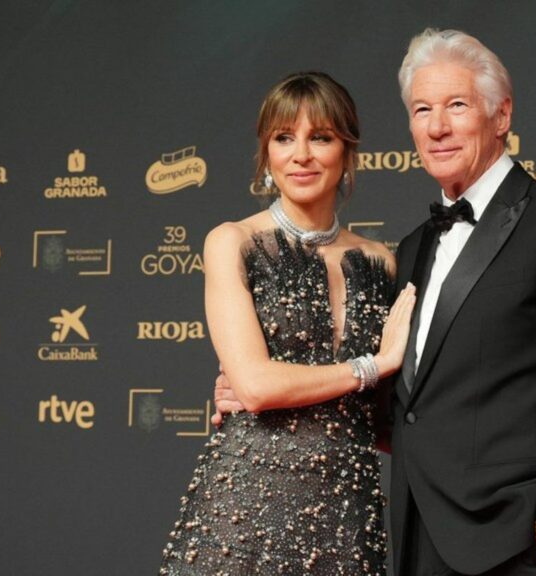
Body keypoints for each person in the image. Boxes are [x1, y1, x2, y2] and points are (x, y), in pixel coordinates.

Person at [217, 29, 536, 576]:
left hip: (514, 542)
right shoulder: (412, 248)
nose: (436, 127)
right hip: (417, 538)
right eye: (421, 110)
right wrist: (259, 391)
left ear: (501, 115)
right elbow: (405, 407)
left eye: (456, 106)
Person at [159, 71, 416, 576]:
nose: (300, 154)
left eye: (319, 137)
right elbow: (254, 387)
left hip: (347, 515)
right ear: (266, 153)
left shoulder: (381, 262)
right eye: (283, 138)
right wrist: (375, 364)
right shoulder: (232, 241)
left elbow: (385, 422)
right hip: (245, 513)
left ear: (346, 150)